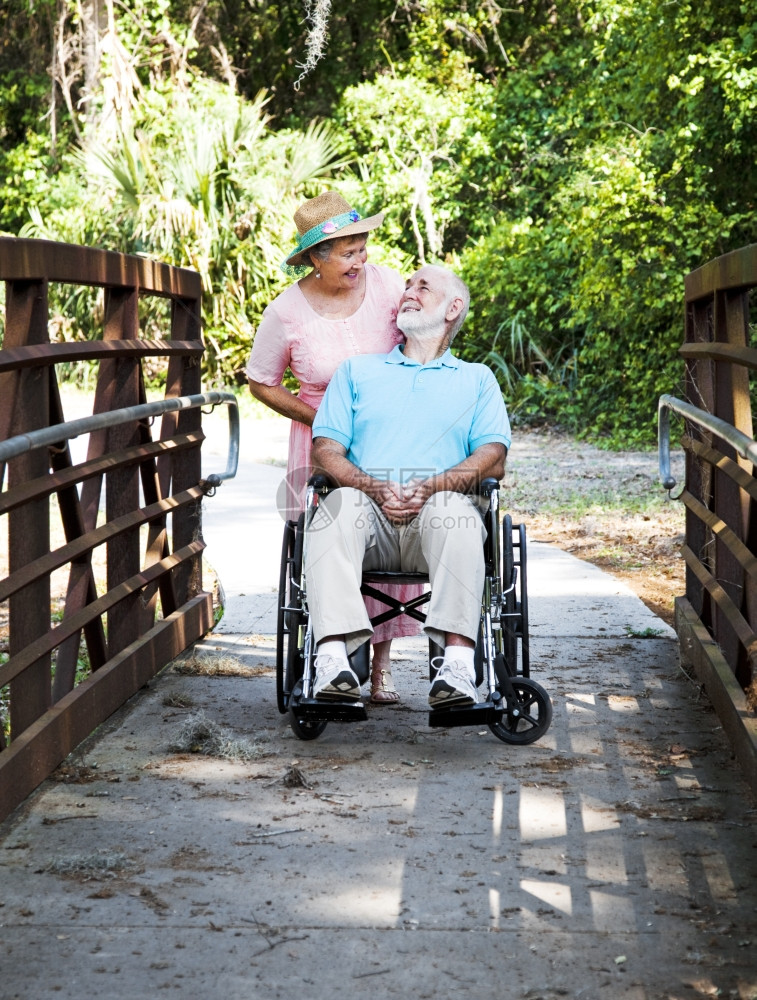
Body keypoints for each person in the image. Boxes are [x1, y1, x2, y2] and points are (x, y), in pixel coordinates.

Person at [304, 264, 511, 708]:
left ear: (453, 308)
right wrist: (374, 487)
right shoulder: (358, 371)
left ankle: (457, 666)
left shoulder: (476, 379)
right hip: (366, 516)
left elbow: (494, 458)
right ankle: (332, 660)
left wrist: (433, 487)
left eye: (423, 286)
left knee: (455, 512)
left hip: (436, 520)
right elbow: (324, 452)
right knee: (335, 509)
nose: (408, 292)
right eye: (406, 286)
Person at [245, 190, 422, 704]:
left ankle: (382, 668)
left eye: (362, 245)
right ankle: (332, 656)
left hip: (386, 432)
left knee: (393, 532)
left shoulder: (388, 284)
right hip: (322, 439)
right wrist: (322, 415)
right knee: (335, 541)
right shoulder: (285, 312)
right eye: (347, 252)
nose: (360, 259)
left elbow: (426, 335)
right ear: (315, 259)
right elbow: (261, 381)